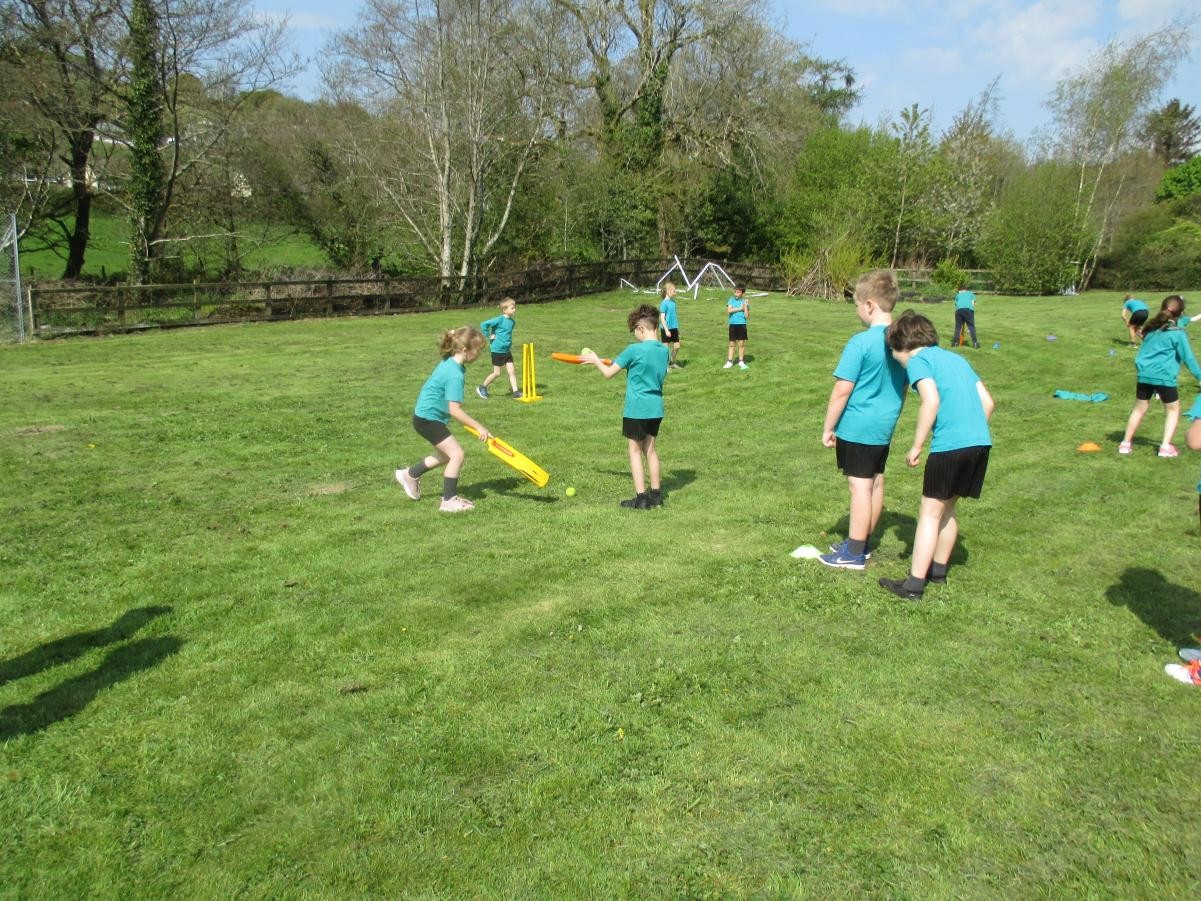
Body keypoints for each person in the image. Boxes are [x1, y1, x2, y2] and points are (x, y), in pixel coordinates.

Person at [878, 310, 995, 601]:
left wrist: (917, 446)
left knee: (929, 513)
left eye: (893, 353)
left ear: (902, 347)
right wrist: (970, 433)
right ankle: (938, 572)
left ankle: (913, 585)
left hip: (950, 448)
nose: (895, 359)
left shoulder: (919, 361)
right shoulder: (957, 359)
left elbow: (930, 400)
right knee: (948, 509)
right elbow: (988, 403)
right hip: (980, 444)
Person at [819, 270, 908, 570]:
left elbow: (842, 390)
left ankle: (853, 553)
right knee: (875, 483)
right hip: (884, 427)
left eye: (856, 304)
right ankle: (863, 542)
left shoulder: (860, 343)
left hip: (858, 427)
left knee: (859, 488)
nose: (857, 310)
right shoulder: (902, 342)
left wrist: (829, 426)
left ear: (869, 305)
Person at [581, 304, 670, 509]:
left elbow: (608, 373)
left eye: (634, 332)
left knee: (634, 450)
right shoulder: (663, 351)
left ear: (641, 329)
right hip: (656, 406)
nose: (635, 336)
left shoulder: (633, 349)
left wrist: (595, 360)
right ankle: (656, 495)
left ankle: (641, 498)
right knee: (650, 449)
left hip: (637, 407)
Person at [396, 327, 492, 513]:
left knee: (447, 455)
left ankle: (409, 475)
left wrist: (453, 334)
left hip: (425, 417)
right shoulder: (455, 374)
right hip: (428, 419)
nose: (479, 354)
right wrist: (479, 427)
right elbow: (454, 411)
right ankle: (448, 501)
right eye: (478, 350)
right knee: (457, 454)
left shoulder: (449, 362)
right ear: (465, 350)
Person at [1117, 295, 1201, 458]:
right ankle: (1165, 447)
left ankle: (1125, 444)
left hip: (1144, 375)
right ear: (1181, 313)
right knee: (1173, 409)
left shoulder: (1151, 329)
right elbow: (1188, 358)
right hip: (1164, 377)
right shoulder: (1177, 333)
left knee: (1139, 408)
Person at [476, 298, 521, 399]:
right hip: (497, 350)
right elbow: (484, 324)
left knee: (512, 371)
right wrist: (489, 335)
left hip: (506, 351)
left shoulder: (512, 322)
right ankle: (482, 387)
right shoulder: (499, 319)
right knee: (497, 373)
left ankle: (516, 392)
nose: (514, 309)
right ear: (505, 310)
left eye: (515, 308)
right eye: (512, 308)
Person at [723, 286, 750, 369]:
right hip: (733, 324)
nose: (736, 294)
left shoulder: (744, 302)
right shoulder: (731, 300)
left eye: (738, 292)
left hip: (742, 324)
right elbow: (729, 310)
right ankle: (729, 362)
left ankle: (741, 361)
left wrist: (745, 306)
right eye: (735, 292)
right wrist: (740, 308)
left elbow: (746, 316)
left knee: (741, 344)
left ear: (742, 293)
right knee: (732, 344)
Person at [658, 281, 682, 370]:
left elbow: (674, 316)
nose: (675, 293)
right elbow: (662, 318)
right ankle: (665, 366)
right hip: (666, 328)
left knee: (677, 346)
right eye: (674, 291)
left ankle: (672, 362)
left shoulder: (673, 302)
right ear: (668, 291)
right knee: (665, 349)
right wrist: (666, 330)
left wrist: (677, 328)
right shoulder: (664, 303)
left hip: (674, 327)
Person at [952, 284, 979, 349]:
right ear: (965, 289)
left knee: (958, 327)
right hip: (968, 310)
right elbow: (973, 303)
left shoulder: (957, 295)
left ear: (960, 290)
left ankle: (955, 343)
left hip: (959, 311)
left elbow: (956, 305)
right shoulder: (970, 294)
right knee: (971, 327)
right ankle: (975, 343)